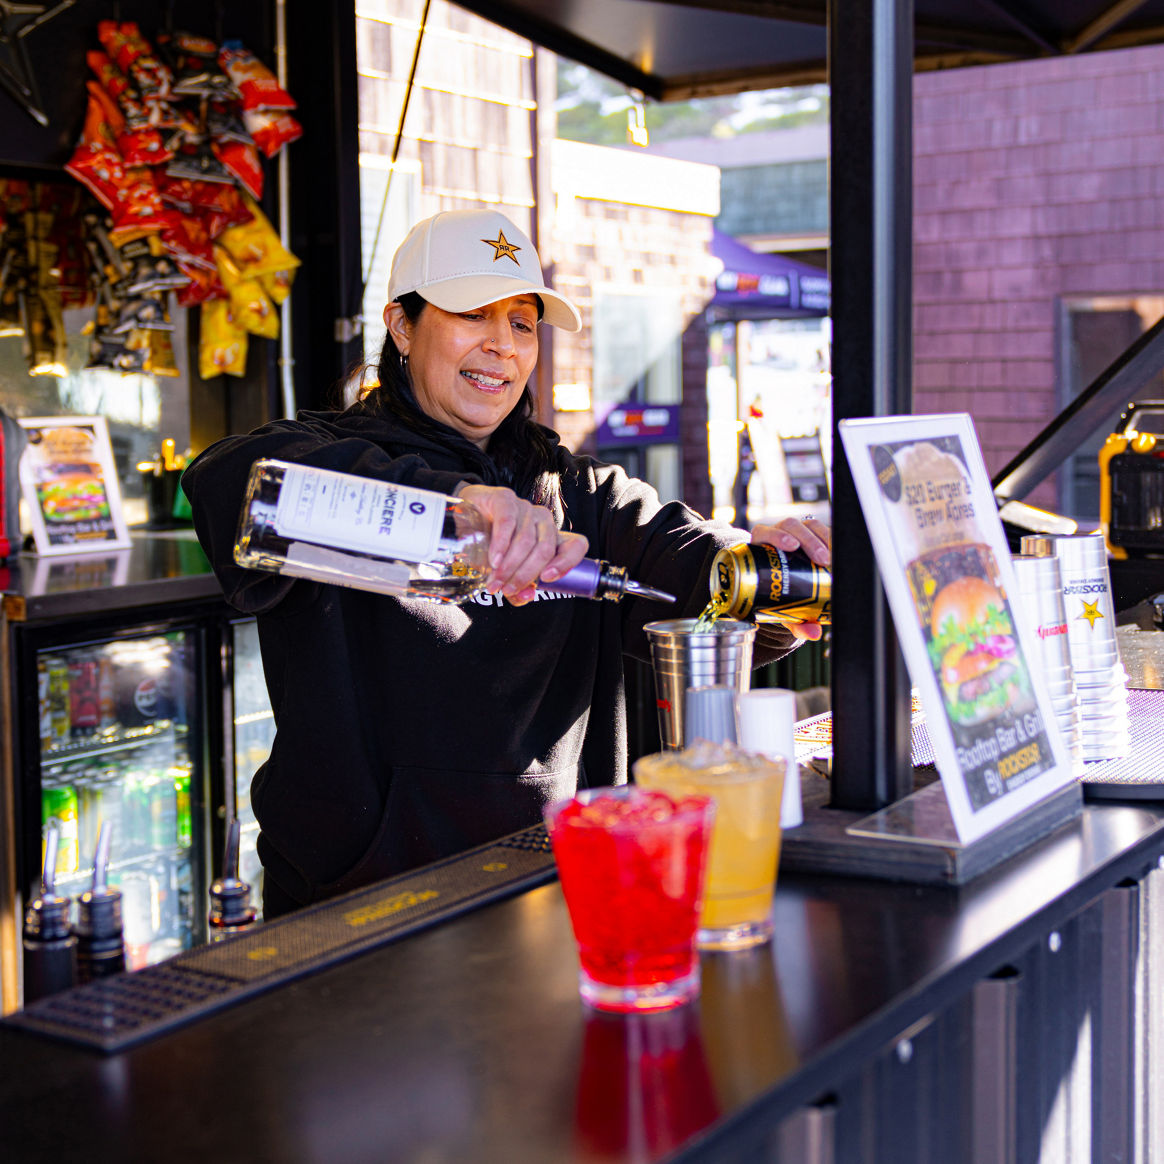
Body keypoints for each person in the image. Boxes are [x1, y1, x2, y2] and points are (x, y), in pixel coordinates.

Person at [184, 208, 831, 918]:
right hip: (363, 902)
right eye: (472, 315)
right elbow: (231, 481)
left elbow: (686, 566)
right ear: (402, 325)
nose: (502, 347)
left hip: (556, 887)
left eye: (522, 325)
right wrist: (456, 506)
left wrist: (782, 572)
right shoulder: (325, 454)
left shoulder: (580, 494)